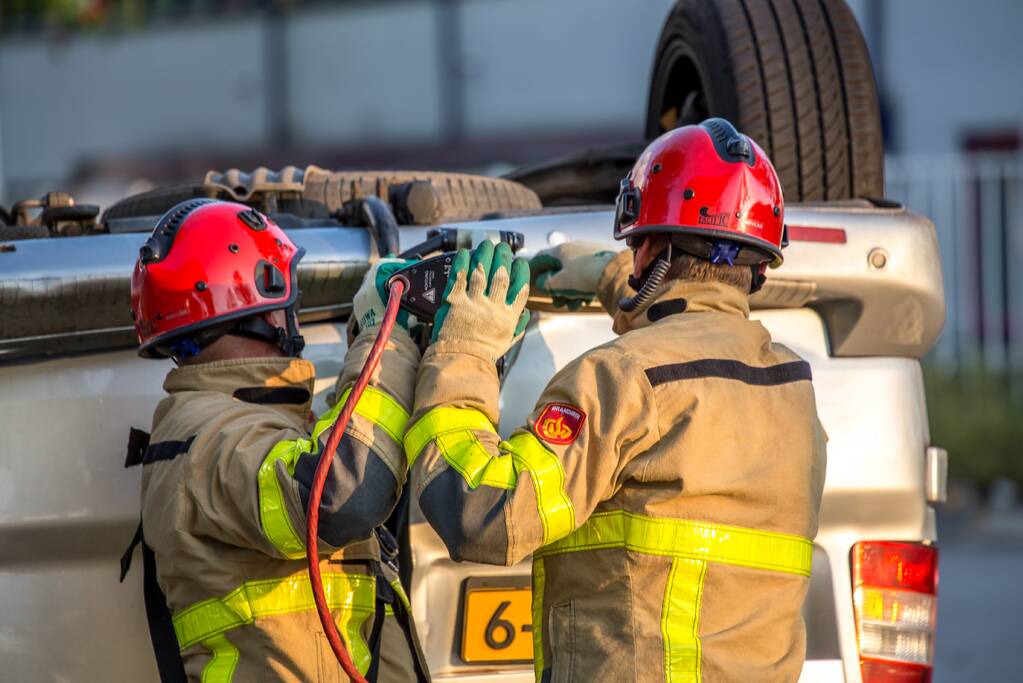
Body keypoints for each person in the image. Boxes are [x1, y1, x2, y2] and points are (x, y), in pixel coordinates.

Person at [403, 118, 827, 682]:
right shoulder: (793, 390)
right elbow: (695, 325)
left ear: (649, 245)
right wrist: (610, 278)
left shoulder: (618, 379)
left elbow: (483, 515)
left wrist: (464, 350)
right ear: (758, 261)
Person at [127, 198, 428, 682]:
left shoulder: (254, 424)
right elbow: (339, 497)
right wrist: (381, 341)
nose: (294, 313)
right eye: (290, 297)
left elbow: (352, 450)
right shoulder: (206, 440)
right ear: (257, 297)